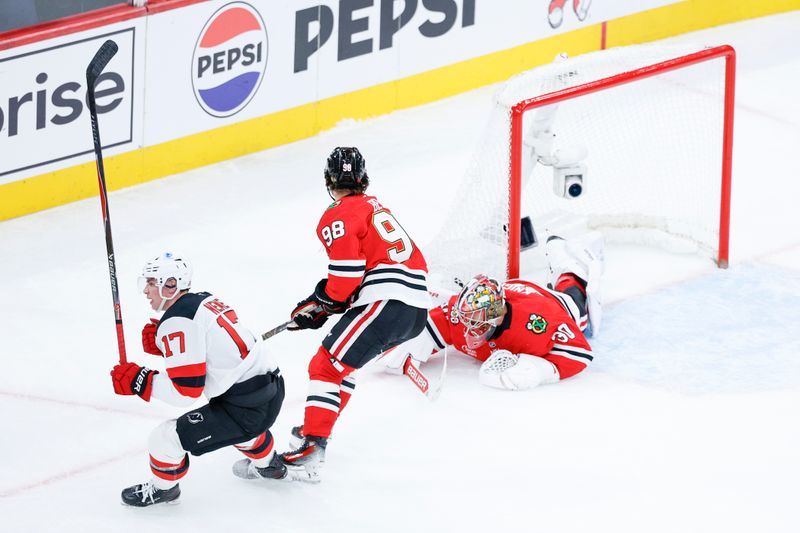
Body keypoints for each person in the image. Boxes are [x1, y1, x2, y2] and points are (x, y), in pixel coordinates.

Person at [280, 146, 430, 481]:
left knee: (324, 366)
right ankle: (315, 433)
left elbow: (346, 277)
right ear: (363, 178)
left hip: (387, 302)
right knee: (341, 368)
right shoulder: (377, 208)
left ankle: (313, 444)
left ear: (328, 180)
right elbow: (363, 274)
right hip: (415, 309)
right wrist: (326, 303)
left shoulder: (337, 213)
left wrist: (326, 301)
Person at [110, 252, 287, 507]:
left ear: (170, 285)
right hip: (270, 389)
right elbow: (212, 348)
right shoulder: (205, 300)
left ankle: (164, 490)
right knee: (238, 427)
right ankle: (270, 466)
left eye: (151, 282)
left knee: (164, 438)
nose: (146, 290)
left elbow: (186, 392)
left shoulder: (178, 321)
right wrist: (166, 348)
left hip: (246, 408)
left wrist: (140, 380)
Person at [384, 234, 604, 390]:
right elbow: (438, 323)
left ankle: (570, 269)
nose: (468, 327)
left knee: (576, 303)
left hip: (551, 303)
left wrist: (542, 370)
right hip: (513, 289)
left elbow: (581, 352)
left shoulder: (542, 321)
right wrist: (417, 337)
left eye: (476, 321)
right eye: (467, 319)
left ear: (496, 316)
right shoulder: (464, 312)